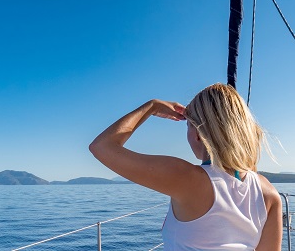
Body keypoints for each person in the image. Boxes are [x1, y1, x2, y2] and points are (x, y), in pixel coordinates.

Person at [89, 83, 282, 250]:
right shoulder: (269, 192)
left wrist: (151, 106)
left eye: (189, 126)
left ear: (198, 133)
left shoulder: (186, 178)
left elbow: (101, 147)